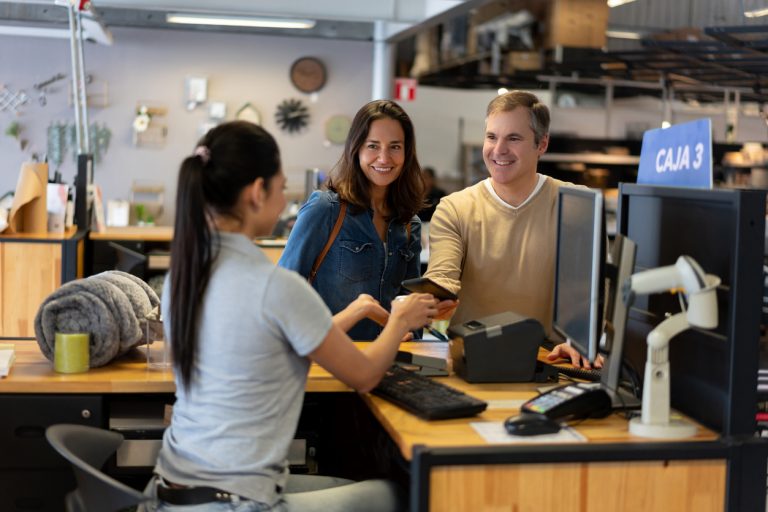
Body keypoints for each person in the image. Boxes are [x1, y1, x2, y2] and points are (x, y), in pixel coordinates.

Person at [145, 120, 438, 511]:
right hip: (235, 502)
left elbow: (278, 339)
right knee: (393, 497)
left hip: (173, 492)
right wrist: (400, 319)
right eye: (281, 188)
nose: (284, 203)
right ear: (256, 192)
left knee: (345, 482)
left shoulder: (186, 275)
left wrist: (354, 310)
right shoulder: (274, 287)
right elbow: (365, 375)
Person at [424, 90, 594, 368]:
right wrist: (432, 298)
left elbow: (590, 292)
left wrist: (581, 339)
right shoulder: (454, 208)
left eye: (513, 138)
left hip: (549, 360)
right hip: (472, 357)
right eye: (491, 137)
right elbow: (443, 276)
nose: (498, 149)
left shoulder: (576, 206)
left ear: (542, 144)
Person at [279, 100, 428, 341]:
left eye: (395, 147)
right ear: (356, 148)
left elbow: (407, 306)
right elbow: (282, 293)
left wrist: (419, 322)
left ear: (406, 152)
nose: (384, 158)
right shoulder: (325, 209)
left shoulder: (409, 223)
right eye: (373, 146)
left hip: (390, 362)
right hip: (329, 361)